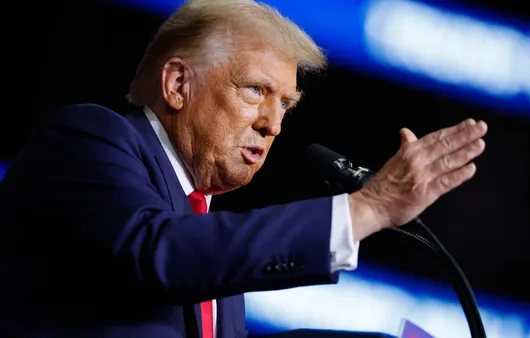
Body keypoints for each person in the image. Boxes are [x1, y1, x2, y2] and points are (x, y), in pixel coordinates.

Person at [0, 0, 487, 337]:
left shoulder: (206, 234)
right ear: (176, 84)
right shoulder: (88, 138)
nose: (273, 124)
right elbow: (158, 252)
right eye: (255, 90)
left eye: (286, 106)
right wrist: (367, 208)